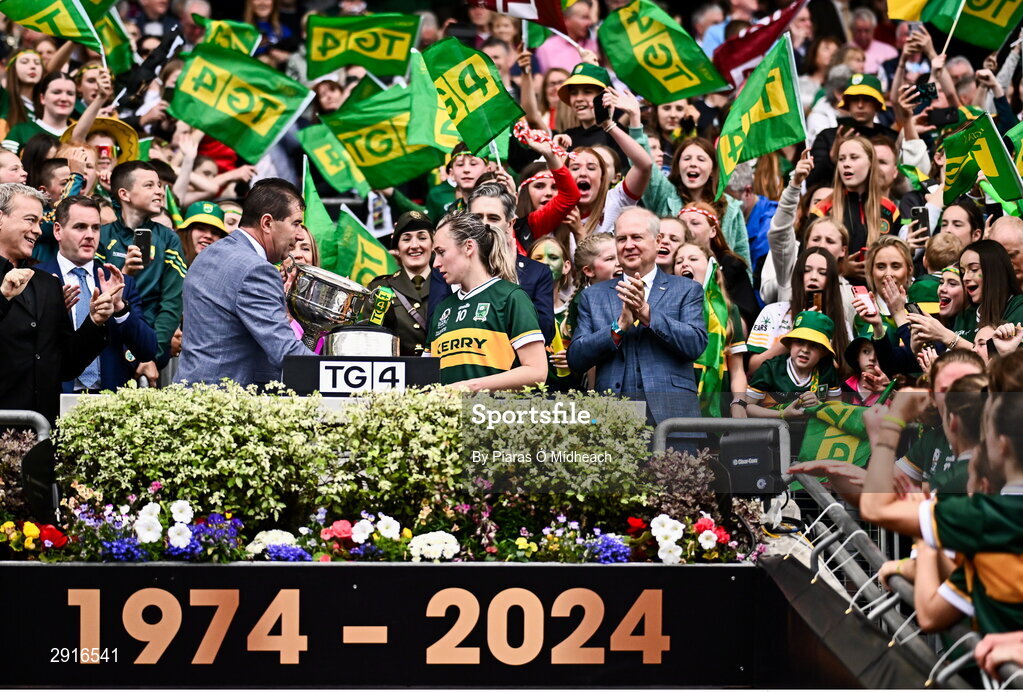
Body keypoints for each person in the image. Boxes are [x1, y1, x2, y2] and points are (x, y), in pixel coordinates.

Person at [567, 207, 708, 436]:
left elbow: (695, 345)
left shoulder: (686, 289)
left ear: (658, 241)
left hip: (673, 420)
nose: (628, 245)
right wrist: (619, 327)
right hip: (611, 423)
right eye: (621, 239)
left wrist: (647, 313)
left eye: (637, 237)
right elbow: (576, 359)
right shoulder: (593, 296)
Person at [176, 178, 314, 386]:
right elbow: (286, 353)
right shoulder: (256, 270)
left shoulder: (209, 253)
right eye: (295, 223)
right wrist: (342, 374)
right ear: (267, 223)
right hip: (225, 406)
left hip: (192, 395)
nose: (299, 235)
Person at [0, 184, 118, 424]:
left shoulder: (46, 284)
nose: (37, 231)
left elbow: (65, 365)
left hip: (41, 433)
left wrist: (94, 322)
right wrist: (2, 298)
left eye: (39, 222)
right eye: (30, 220)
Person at [36, 196, 157, 391]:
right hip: (54, 398)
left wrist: (120, 309)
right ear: (58, 231)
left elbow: (147, 349)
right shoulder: (38, 278)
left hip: (109, 402)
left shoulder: (119, 281)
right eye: (80, 227)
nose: (90, 235)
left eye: (95, 228)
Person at [425, 210, 546, 390]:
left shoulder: (511, 297)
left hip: (493, 415)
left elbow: (537, 372)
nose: (435, 263)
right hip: (445, 417)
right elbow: (425, 376)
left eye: (441, 252)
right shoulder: (442, 309)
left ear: (468, 247)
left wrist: (471, 387)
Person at [428, 182, 555, 344]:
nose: (485, 224)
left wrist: (507, 278)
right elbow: (433, 330)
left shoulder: (537, 272)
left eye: (493, 218)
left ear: (510, 224)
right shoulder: (445, 268)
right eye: (477, 217)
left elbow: (545, 333)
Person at [97, 161, 187, 373]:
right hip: (107, 346)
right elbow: (96, 295)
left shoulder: (168, 239)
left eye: (159, 185)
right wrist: (126, 274)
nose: (159, 191)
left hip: (151, 348)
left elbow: (172, 303)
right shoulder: (102, 236)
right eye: (149, 185)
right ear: (124, 194)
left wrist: (152, 353)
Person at [674, 240, 748, 417]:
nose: (685, 263)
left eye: (693, 259)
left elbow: (737, 369)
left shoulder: (729, 311)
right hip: (679, 404)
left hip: (719, 405)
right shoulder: (667, 310)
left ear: (711, 267)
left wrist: (738, 403)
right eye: (678, 261)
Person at [745, 311, 842, 419]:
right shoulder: (770, 368)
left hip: (812, 431)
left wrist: (819, 405)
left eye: (814, 345)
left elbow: (837, 408)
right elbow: (746, 406)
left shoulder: (827, 370)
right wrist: (781, 414)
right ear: (790, 344)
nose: (805, 350)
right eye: (800, 341)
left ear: (824, 352)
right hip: (773, 430)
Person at [806, 76, 897, 189]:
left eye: (866, 99)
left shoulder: (890, 138)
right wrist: (832, 158)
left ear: (877, 104)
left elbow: (899, 182)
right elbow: (811, 184)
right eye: (854, 100)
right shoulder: (827, 137)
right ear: (847, 104)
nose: (860, 105)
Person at [369, 212, 434, 357]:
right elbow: (372, 340)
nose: (415, 245)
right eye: (406, 239)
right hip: (396, 374)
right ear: (397, 249)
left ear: (433, 244)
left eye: (422, 238)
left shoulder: (450, 284)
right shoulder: (380, 288)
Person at [176, 200, 227, 266]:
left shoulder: (224, 269)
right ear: (185, 233)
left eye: (215, 232)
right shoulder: (168, 261)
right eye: (201, 229)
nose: (209, 235)